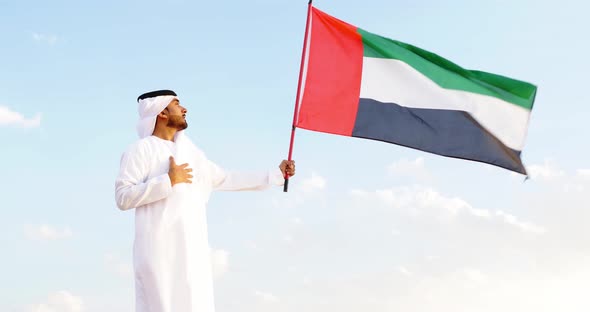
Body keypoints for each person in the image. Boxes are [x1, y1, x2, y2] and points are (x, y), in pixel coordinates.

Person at [114, 89, 295, 312]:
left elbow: (226, 178)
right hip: (159, 251)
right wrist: (168, 181)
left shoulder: (193, 154)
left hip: (192, 251)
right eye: (177, 104)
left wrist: (275, 175)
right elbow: (123, 197)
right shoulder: (140, 150)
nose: (184, 109)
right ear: (161, 113)